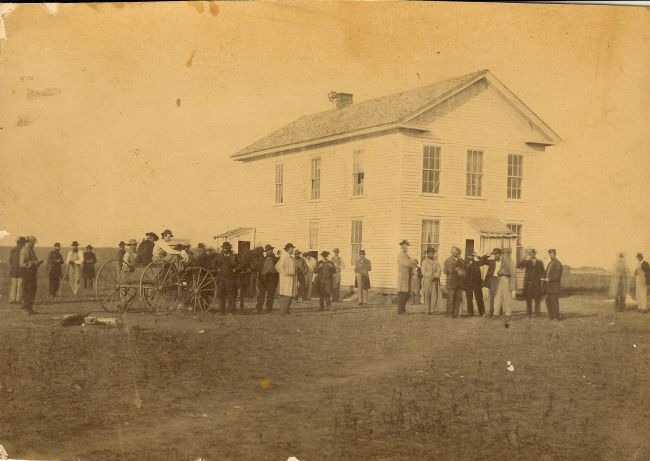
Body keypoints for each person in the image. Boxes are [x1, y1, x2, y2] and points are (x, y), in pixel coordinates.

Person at [517, 249, 545, 318]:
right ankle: (529, 314)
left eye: (533, 253)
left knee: (537, 299)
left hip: (537, 284)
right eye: (530, 254)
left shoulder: (540, 262)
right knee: (528, 299)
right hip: (529, 284)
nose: (532, 255)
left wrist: (541, 281)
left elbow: (543, 272)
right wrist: (524, 257)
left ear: (535, 254)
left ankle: (537, 314)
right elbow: (519, 265)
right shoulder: (527, 262)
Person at [491, 249, 516, 327]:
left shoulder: (511, 262)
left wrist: (512, 284)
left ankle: (508, 314)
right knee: (498, 297)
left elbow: (512, 274)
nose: (505, 255)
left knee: (507, 298)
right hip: (500, 280)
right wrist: (500, 273)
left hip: (506, 280)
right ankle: (496, 314)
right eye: (504, 253)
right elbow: (498, 272)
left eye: (507, 253)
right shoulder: (502, 262)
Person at [20, 236, 44, 314]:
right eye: (33, 242)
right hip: (27, 273)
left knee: (32, 290)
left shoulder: (31, 250)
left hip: (32, 273)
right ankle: (24, 309)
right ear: (29, 242)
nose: (34, 244)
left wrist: (37, 263)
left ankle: (29, 308)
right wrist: (33, 263)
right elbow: (22, 263)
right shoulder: (24, 250)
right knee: (27, 290)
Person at [215, 241, 238, 314]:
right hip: (221, 278)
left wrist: (236, 269)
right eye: (224, 248)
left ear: (229, 248)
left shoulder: (233, 256)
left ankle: (231, 311)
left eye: (226, 248)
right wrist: (217, 268)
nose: (225, 250)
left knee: (231, 295)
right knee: (221, 295)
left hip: (230, 278)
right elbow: (213, 263)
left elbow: (242, 263)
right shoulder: (219, 256)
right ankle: (221, 311)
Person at [444, 247, 465, 319]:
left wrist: (462, 271)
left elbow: (464, 269)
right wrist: (457, 269)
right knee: (450, 299)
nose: (457, 253)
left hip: (459, 282)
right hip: (451, 282)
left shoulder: (461, 260)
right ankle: (449, 314)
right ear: (452, 252)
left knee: (458, 299)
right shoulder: (448, 260)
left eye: (458, 252)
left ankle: (456, 315)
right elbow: (446, 270)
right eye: (455, 251)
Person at [256, 244, 279, 313]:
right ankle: (259, 308)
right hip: (262, 280)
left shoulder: (276, 260)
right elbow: (258, 269)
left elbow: (279, 269)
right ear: (265, 252)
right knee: (261, 295)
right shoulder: (262, 259)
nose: (269, 251)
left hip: (272, 279)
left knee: (270, 295)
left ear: (272, 251)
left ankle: (269, 309)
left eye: (271, 250)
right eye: (268, 250)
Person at [275, 243, 297, 315]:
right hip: (285, 279)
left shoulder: (291, 257)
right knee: (285, 295)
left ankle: (286, 311)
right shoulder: (284, 256)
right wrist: (286, 273)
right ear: (287, 249)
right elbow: (278, 266)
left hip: (291, 278)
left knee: (290, 295)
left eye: (293, 248)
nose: (293, 250)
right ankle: (283, 311)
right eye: (291, 248)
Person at [543, 249, 563, 320]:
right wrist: (544, 278)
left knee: (554, 302)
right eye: (550, 254)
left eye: (552, 254)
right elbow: (546, 273)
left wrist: (549, 279)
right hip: (548, 287)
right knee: (548, 301)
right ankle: (551, 316)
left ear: (555, 254)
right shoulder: (549, 264)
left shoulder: (558, 263)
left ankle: (556, 317)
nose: (551, 255)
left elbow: (558, 275)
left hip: (554, 287)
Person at [396, 240, 415, 315]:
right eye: (406, 245)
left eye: (407, 245)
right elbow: (407, 264)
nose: (407, 247)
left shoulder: (405, 255)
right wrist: (412, 262)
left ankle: (402, 310)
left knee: (405, 294)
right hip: (403, 277)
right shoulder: (402, 255)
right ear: (402, 246)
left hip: (405, 277)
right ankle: (401, 311)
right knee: (402, 294)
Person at [465, 251, 485, 316]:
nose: (471, 257)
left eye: (472, 255)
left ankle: (482, 312)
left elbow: (482, 261)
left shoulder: (477, 263)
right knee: (469, 298)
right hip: (468, 283)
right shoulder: (464, 263)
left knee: (479, 298)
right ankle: (470, 312)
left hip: (476, 283)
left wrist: (477, 256)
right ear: (467, 256)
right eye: (470, 255)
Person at [421, 248, 441, 315]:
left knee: (434, 295)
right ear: (427, 254)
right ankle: (427, 310)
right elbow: (423, 271)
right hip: (427, 281)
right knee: (427, 295)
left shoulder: (436, 262)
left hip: (434, 281)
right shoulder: (424, 262)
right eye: (430, 253)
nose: (431, 254)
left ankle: (432, 310)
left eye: (432, 253)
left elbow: (439, 271)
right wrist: (430, 276)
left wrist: (435, 276)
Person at [8, 236, 26, 304]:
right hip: (21, 270)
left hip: (13, 270)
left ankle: (12, 299)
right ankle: (18, 300)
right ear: (23, 243)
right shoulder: (23, 250)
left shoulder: (12, 250)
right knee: (20, 285)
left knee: (13, 285)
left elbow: (10, 260)